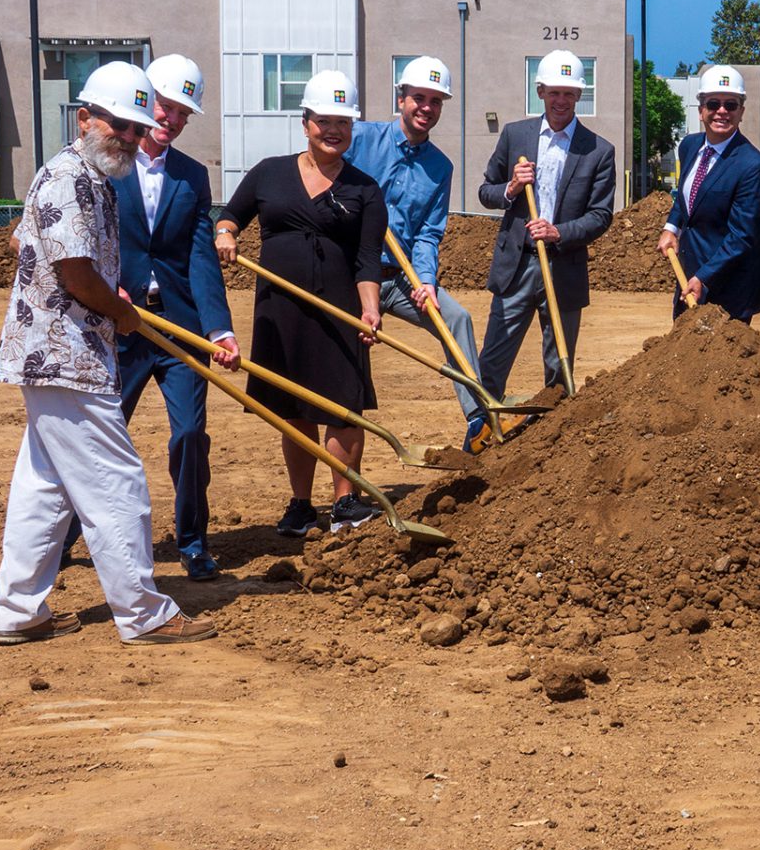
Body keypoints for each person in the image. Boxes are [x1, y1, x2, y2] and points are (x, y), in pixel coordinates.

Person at [0, 61, 216, 646]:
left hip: (59, 355)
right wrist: (119, 312)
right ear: (85, 118)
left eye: (137, 129)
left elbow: (44, 248)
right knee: (116, 481)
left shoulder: (89, 178)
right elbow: (74, 271)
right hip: (66, 354)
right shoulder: (71, 178)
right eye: (119, 124)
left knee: (45, 486)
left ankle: (18, 609)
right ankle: (143, 612)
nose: (129, 137)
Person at [60, 54, 236, 582]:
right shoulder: (103, 163)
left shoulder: (192, 176)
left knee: (191, 435)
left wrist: (219, 329)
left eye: (184, 112)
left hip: (178, 326)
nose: (173, 119)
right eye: (166, 106)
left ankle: (194, 542)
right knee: (102, 433)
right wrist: (104, 287)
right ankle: (63, 537)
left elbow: (200, 256)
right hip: (117, 325)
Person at [214, 70, 387, 537]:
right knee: (293, 408)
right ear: (305, 122)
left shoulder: (365, 190)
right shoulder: (269, 172)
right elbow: (231, 215)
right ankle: (301, 504)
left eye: (343, 122)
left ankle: (346, 502)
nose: (334, 130)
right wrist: (226, 233)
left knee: (342, 406)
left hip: (339, 312)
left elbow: (368, 260)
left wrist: (370, 310)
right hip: (281, 311)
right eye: (324, 121)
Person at [343, 56, 487, 449]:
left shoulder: (440, 167)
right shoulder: (360, 139)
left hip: (400, 277)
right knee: (348, 353)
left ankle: (479, 419)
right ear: (401, 99)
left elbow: (428, 233)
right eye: (419, 98)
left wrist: (425, 281)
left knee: (456, 318)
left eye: (435, 101)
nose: (426, 107)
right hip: (351, 274)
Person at [475, 49, 616, 397]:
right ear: (540, 91)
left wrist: (558, 232)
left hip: (563, 267)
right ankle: (482, 426)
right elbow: (486, 191)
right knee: (492, 362)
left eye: (569, 93)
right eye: (554, 92)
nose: (561, 100)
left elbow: (601, 215)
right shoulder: (515, 136)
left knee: (559, 369)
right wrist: (511, 188)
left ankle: (552, 431)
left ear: (579, 95)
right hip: (517, 266)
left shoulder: (598, 150)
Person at [657, 64, 760, 320]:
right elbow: (686, 199)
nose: (722, 111)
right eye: (713, 104)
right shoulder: (689, 146)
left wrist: (704, 277)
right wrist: (671, 228)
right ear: (701, 110)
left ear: (741, 111)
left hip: (728, 291)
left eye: (730, 105)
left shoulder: (753, 167)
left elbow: (742, 236)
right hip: (688, 279)